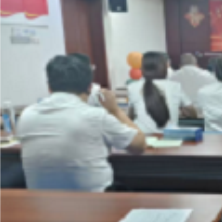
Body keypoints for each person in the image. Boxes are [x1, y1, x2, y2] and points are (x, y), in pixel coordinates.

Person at [17, 55, 146, 192]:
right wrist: (115, 110)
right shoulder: (95, 116)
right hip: (96, 201)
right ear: (90, 87)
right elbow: (139, 146)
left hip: (40, 202)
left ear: (49, 86)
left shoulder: (27, 115)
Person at [127, 52, 196, 133]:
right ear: (165, 67)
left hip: (142, 136)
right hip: (170, 135)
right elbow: (191, 111)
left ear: (142, 68)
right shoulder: (175, 86)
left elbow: (130, 116)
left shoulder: (133, 87)